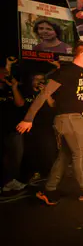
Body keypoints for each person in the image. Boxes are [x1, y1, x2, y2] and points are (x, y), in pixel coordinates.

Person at [16, 41, 83, 205]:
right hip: (69, 118)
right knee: (82, 153)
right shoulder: (65, 71)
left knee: (65, 155)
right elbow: (44, 94)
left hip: (80, 119)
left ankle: (49, 190)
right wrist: (28, 119)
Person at [1, 62, 26, 201]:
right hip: (3, 129)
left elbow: (20, 103)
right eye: (3, 72)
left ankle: (11, 181)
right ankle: (5, 184)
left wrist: (14, 88)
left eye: (6, 72)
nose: (5, 75)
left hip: (13, 128)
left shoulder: (9, 89)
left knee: (16, 155)